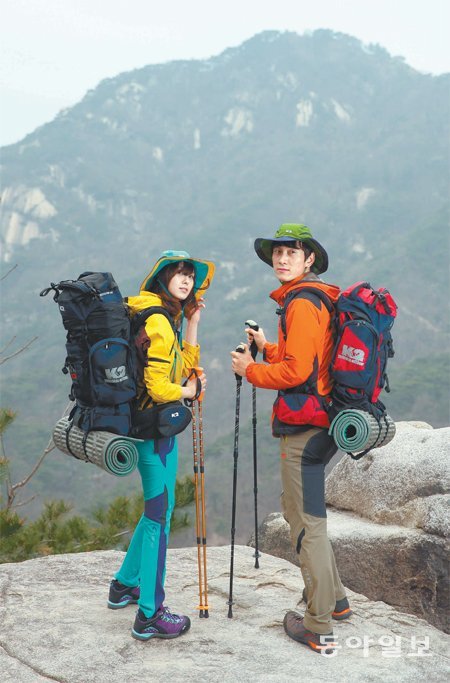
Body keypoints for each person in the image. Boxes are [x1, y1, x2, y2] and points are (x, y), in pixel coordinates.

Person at [231, 223, 352, 654]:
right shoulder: (316, 298)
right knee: (302, 511)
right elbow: (307, 360)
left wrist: (251, 371)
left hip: (307, 427)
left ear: (309, 260)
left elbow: (296, 373)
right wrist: (266, 346)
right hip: (325, 421)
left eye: (291, 253)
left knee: (306, 522)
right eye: (277, 253)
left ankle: (317, 624)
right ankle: (335, 601)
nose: (282, 260)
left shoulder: (302, 303)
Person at [108, 250, 215, 641]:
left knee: (156, 508)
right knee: (160, 517)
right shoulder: (158, 320)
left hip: (139, 426)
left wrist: (193, 324)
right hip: (154, 434)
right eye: (179, 274)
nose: (186, 281)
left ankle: (125, 584)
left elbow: (181, 361)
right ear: (162, 278)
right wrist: (189, 390)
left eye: (190, 276)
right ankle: (150, 614)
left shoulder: (157, 314)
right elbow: (161, 385)